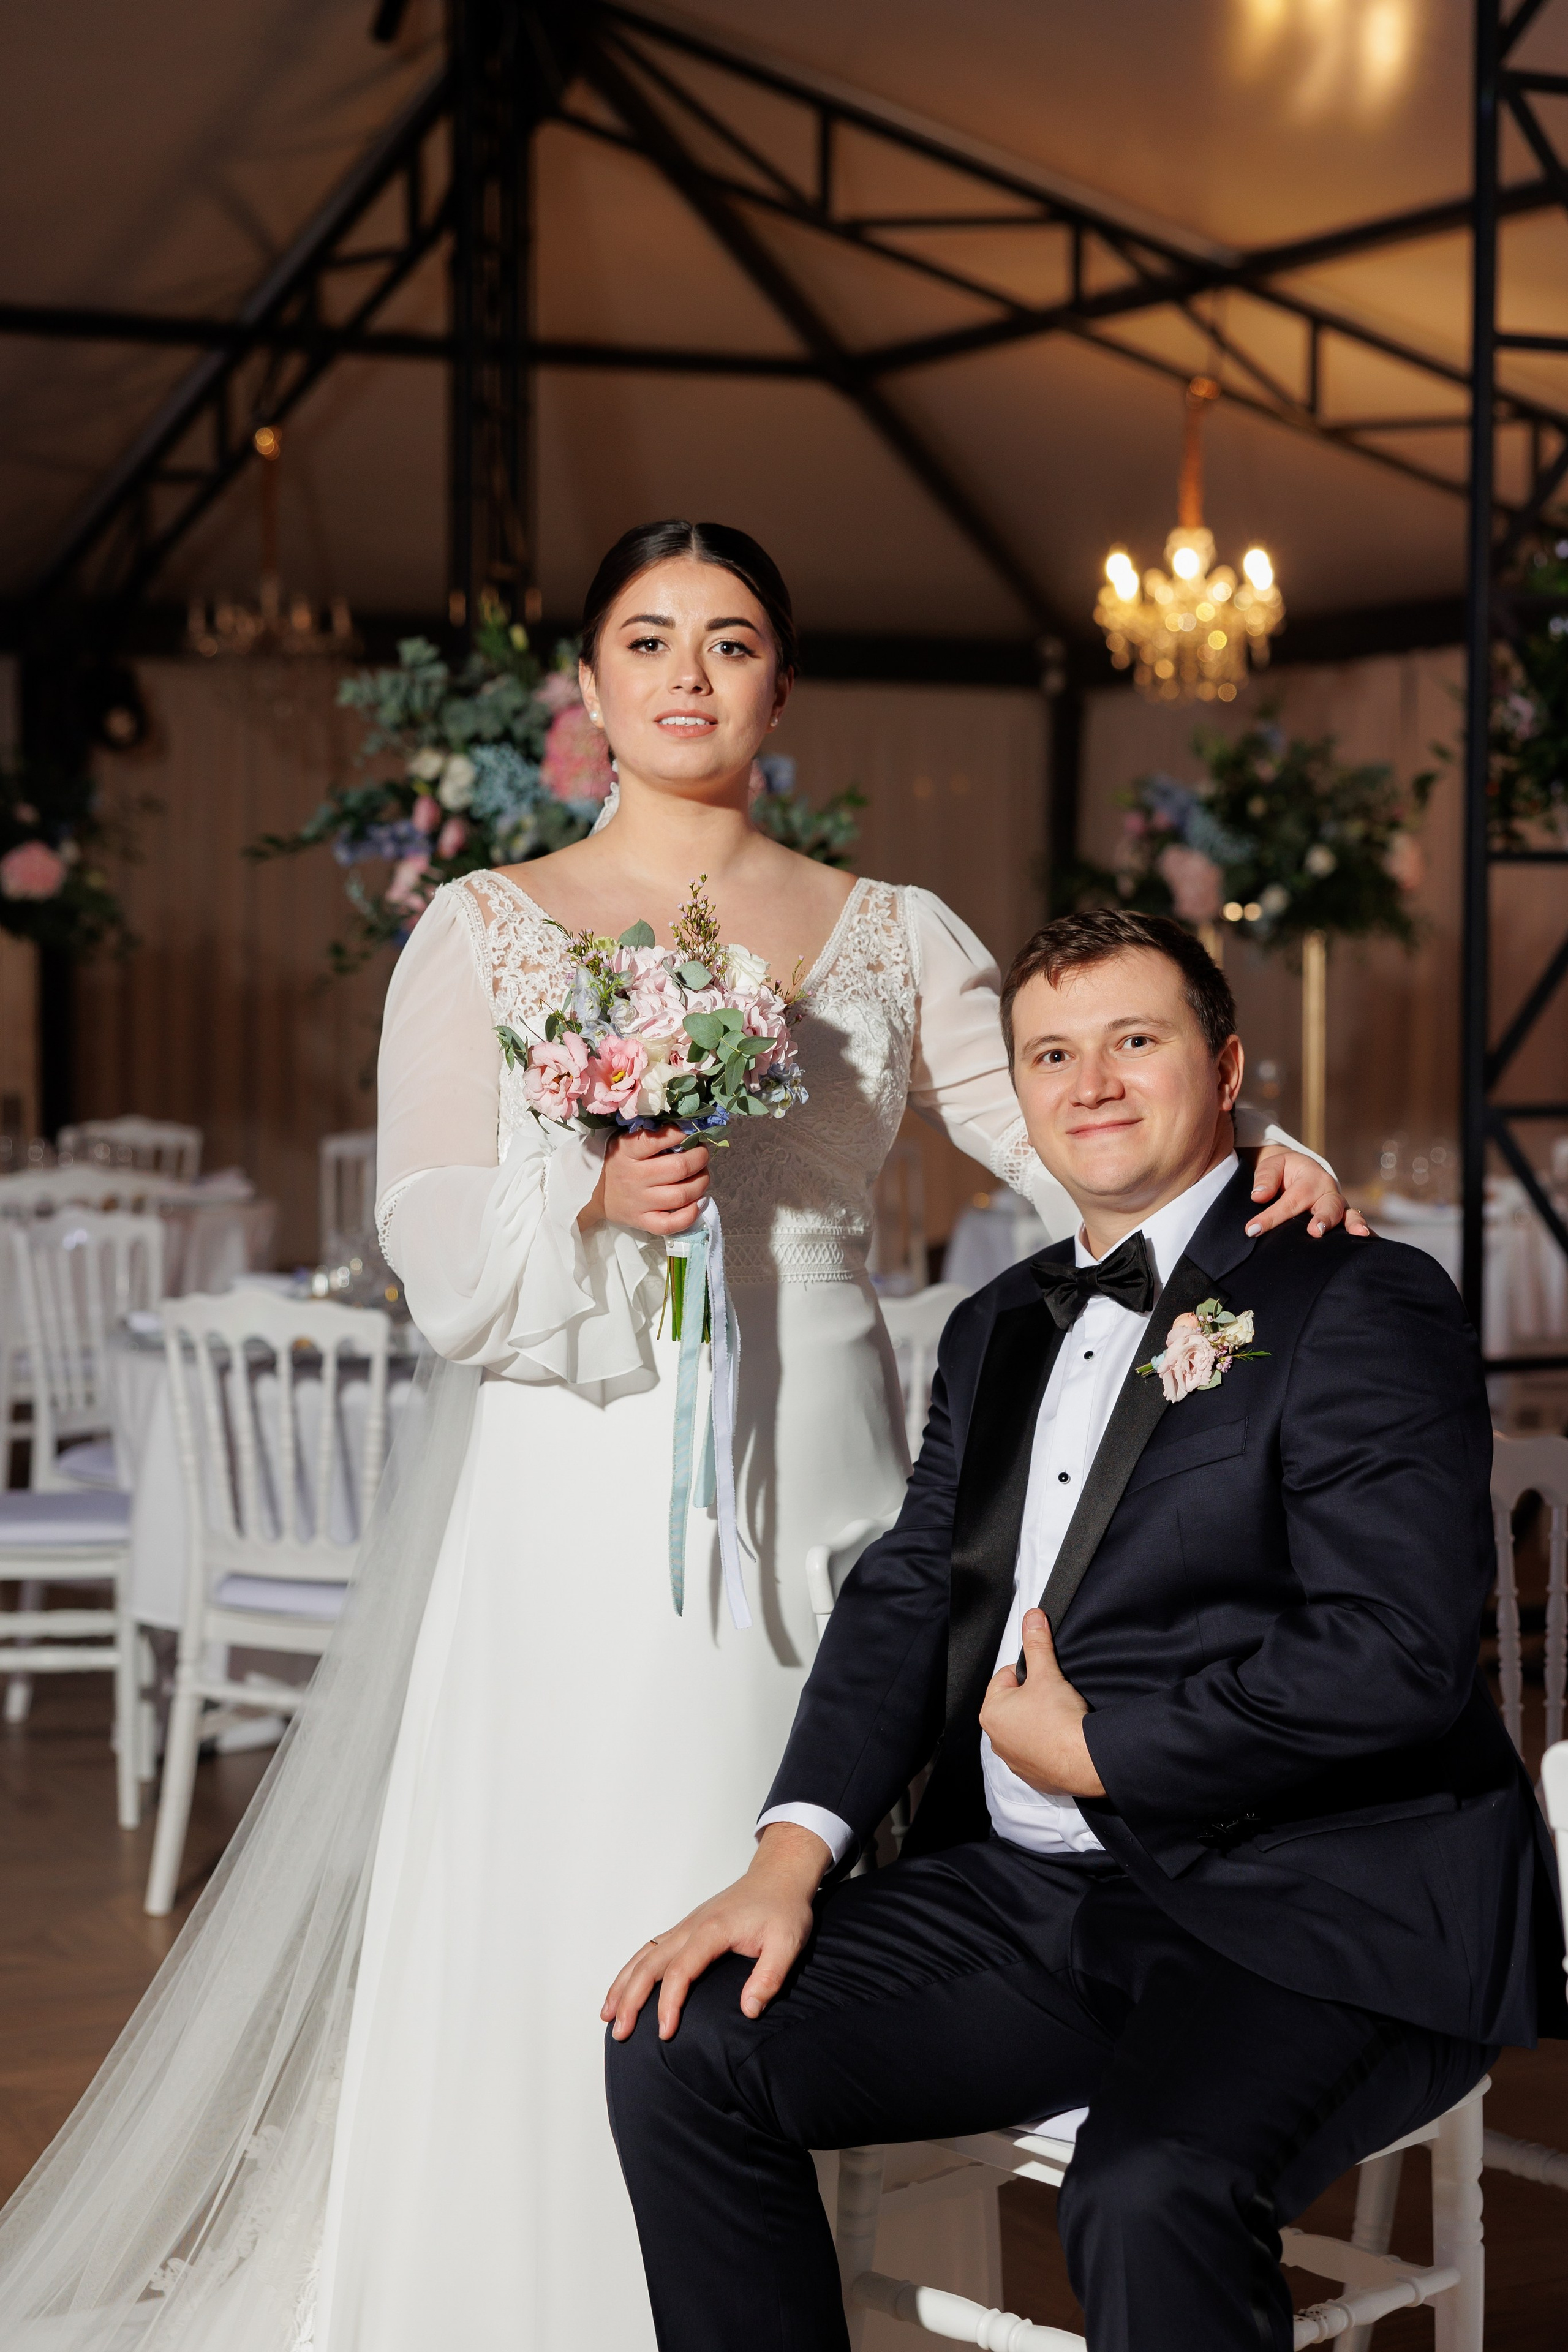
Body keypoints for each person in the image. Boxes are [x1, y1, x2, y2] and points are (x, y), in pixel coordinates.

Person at [0, 535, 1349, 2352]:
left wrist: (1255, 1180)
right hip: (568, 1485)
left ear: (782, 688)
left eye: (732, 642)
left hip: (819, 1495)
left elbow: (1078, 1146)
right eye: (649, 640)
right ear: (592, 686)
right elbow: (428, 1236)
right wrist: (591, 1194)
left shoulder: (894, 933)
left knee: (771, 1883)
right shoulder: (483, 926)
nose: (689, 673)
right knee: (559, 1890)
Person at [603, 905, 1567, 2352]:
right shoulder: (996, 1324)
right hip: (1041, 1901)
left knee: (1147, 2190)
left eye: (1134, 1042)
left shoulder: (1357, 1294)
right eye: (1050, 1054)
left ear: (1226, 1067)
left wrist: (1101, 1747)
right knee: (683, 2042)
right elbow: (911, 1589)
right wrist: (786, 1855)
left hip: (1317, 1905)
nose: (1090, 1083)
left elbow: (1399, 1654)